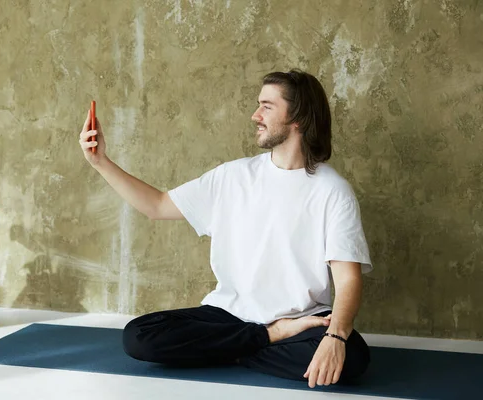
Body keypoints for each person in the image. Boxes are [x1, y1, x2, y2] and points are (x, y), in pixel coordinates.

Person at [78, 69, 372, 388]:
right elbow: (158, 205)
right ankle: (266, 337)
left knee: (352, 356)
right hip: (230, 315)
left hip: (303, 319)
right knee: (139, 336)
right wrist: (100, 162)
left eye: (267, 106)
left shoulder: (332, 191)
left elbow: (347, 279)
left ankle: (223, 350)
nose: (255, 115)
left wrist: (335, 337)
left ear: (297, 117)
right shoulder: (232, 177)